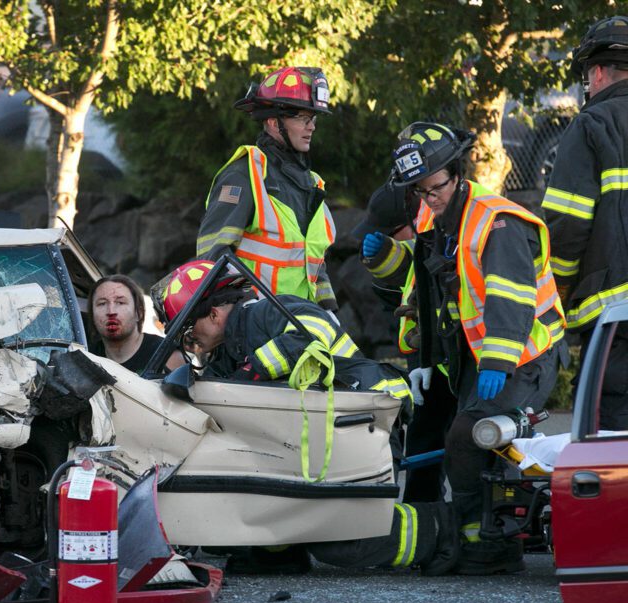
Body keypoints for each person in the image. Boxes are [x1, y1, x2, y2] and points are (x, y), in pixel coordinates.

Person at [155, 259, 457, 576]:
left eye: (189, 330)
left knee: (345, 542)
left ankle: (446, 528)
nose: (189, 342)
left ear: (214, 314)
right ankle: (279, 552)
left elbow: (311, 339)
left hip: (362, 420)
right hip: (314, 437)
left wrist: (250, 374)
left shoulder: (270, 311)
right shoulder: (226, 354)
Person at [367, 122, 566, 575]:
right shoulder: (435, 219)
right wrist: (424, 363)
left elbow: (509, 301)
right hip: (475, 357)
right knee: (432, 424)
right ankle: (443, 528)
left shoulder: (497, 223)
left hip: (524, 356)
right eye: (418, 191)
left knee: (469, 435)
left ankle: (490, 543)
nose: (427, 198)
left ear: (457, 174)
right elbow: (431, 297)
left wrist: (497, 360)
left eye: (434, 187)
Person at [543, 16, 628, 429]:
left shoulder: (592, 125)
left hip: (615, 322)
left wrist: (555, 291)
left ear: (596, 72)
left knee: (606, 440)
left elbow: (567, 225)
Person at [196, 66, 338, 310]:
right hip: (251, 324)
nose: (312, 127)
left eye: (313, 119)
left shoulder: (312, 183)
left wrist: (328, 312)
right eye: (303, 118)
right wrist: (245, 310)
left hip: (301, 324)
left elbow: (313, 264)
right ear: (273, 122)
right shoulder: (245, 174)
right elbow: (212, 256)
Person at [356, 183, 457, 503]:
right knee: (423, 442)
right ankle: (424, 519)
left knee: (469, 444)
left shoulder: (448, 233)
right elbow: (406, 277)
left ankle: (474, 531)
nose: (385, 241)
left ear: (410, 224)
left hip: (466, 354)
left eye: (389, 234)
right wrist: (384, 258)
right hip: (428, 356)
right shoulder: (421, 241)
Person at [88, 274, 184, 374]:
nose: (111, 311)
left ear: (139, 313)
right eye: (102, 303)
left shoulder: (166, 355)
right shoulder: (87, 356)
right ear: (92, 314)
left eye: (120, 302)